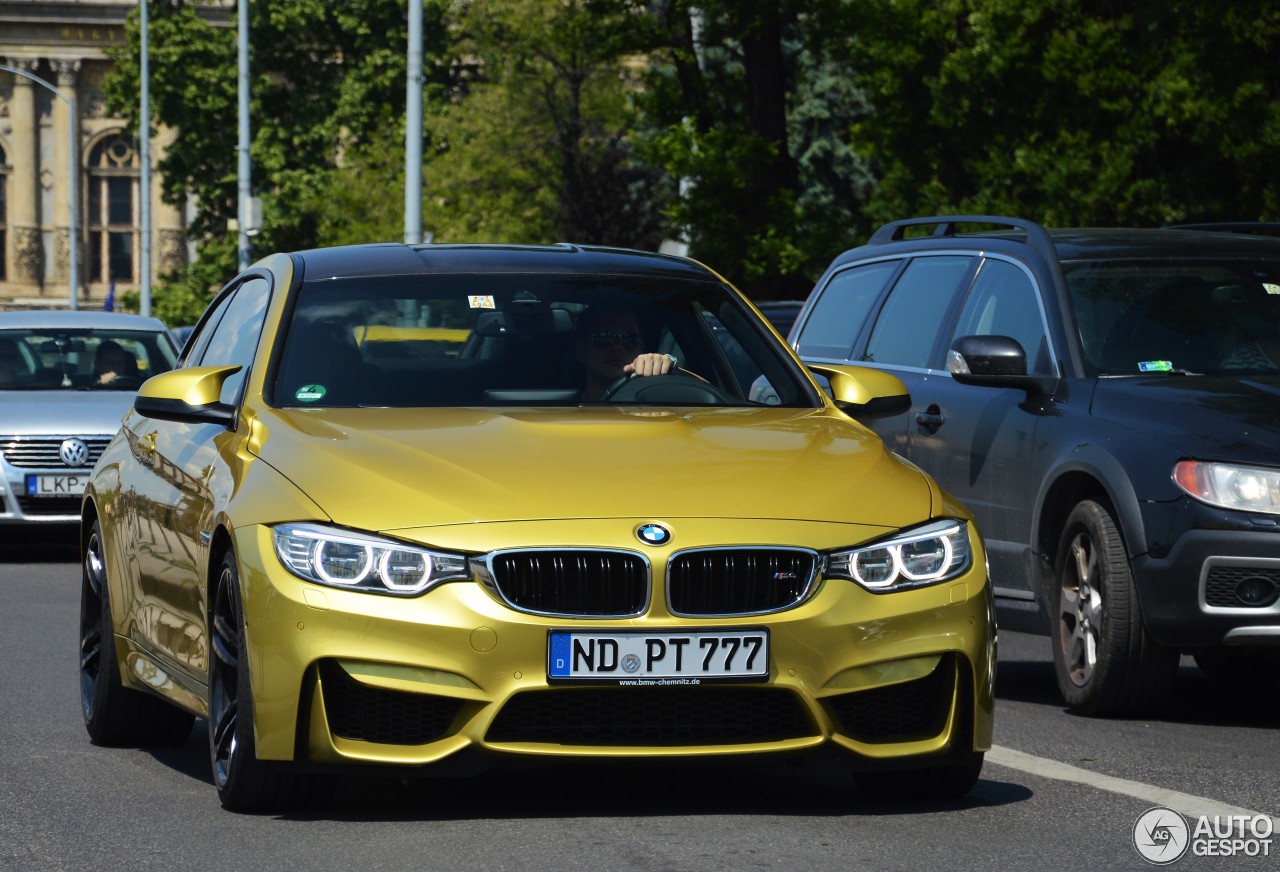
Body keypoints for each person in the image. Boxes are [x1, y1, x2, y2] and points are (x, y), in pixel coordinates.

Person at [575, 307, 678, 401]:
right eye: (603, 337)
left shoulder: (659, 408)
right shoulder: (561, 413)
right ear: (581, 351)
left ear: (641, 351)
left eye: (629, 338)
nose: (617, 347)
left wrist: (667, 366)